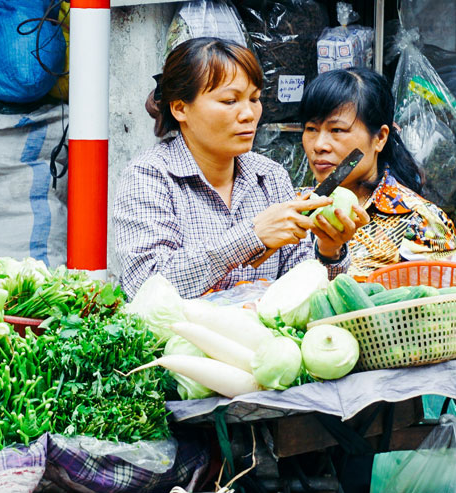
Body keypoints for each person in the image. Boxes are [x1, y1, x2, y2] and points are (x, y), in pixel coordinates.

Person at [111, 38, 368, 299]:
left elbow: (302, 291)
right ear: (180, 108)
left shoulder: (270, 176)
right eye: (229, 101)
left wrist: (328, 250)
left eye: (254, 99)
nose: (249, 114)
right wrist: (252, 235)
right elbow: (144, 287)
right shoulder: (150, 175)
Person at [298, 68, 456, 277]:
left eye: (337, 130)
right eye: (311, 129)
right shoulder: (294, 206)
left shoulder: (421, 223)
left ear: (380, 138)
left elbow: (440, 305)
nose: (319, 145)